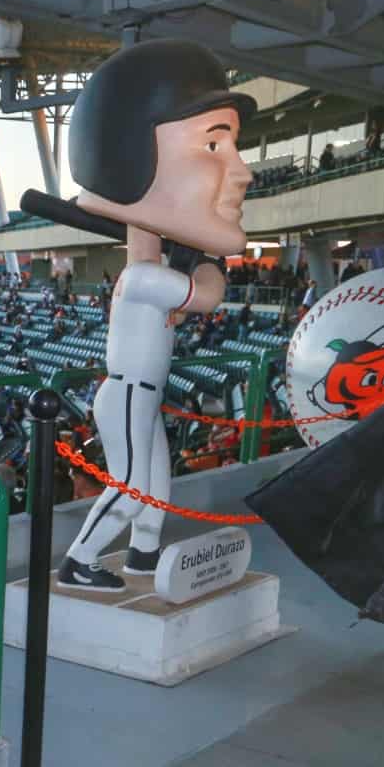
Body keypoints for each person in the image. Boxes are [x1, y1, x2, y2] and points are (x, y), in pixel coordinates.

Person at [52, 40, 254, 592]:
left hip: (143, 391)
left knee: (156, 483)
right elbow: (207, 295)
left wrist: (143, 213)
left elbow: (143, 240)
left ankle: (143, 554)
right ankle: (80, 560)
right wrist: (207, 257)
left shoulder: (145, 268)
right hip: (125, 393)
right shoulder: (142, 282)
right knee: (131, 485)